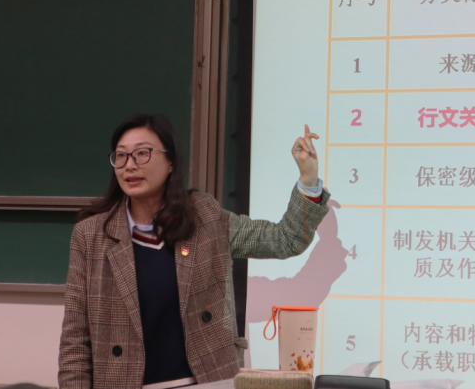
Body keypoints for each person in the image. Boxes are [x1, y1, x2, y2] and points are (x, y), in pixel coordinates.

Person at [59, 114, 329, 389]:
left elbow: (285, 239)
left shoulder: (204, 217)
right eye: (121, 156)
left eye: (142, 153)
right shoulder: (91, 235)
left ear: (171, 162)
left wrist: (308, 181)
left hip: (207, 382)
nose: (129, 165)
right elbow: (75, 340)